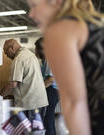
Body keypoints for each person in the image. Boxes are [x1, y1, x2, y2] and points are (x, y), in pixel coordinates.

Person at [28, 0, 104, 134]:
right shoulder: (97, 23)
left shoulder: (60, 30)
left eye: (34, 6)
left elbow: (75, 102)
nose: (31, 14)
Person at [1, 39, 48, 119]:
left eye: (6, 52)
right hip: (41, 102)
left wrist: (1, 94)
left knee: (29, 131)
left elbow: (13, 84)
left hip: (30, 105)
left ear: (12, 48)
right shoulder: (30, 55)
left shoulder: (18, 59)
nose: (7, 56)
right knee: (38, 130)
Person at [35, 37, 59, 135]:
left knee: (48, 121)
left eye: (36, 48)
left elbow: (50, 79)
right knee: (48, 120)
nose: (35, 51)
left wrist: (37, 90)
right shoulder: (45, 60)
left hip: (51, 91)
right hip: (50, 91)